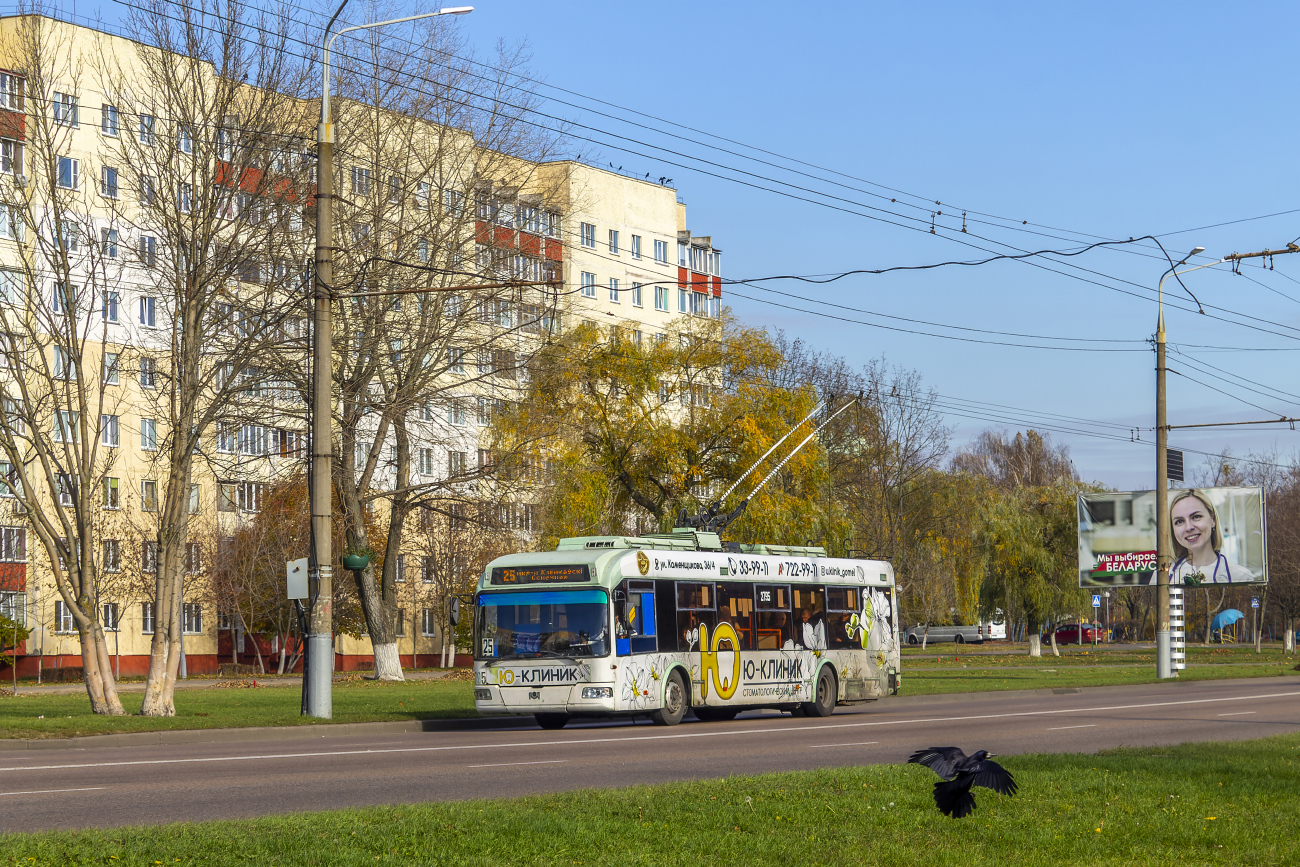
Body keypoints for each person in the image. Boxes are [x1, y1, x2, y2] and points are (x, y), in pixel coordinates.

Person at [1169, 489, 1255, 584]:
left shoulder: (1241, 576)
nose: (1188, 527)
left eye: (1196, 517)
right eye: (1179, 522)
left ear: (1213, 520)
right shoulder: (1162, 577)